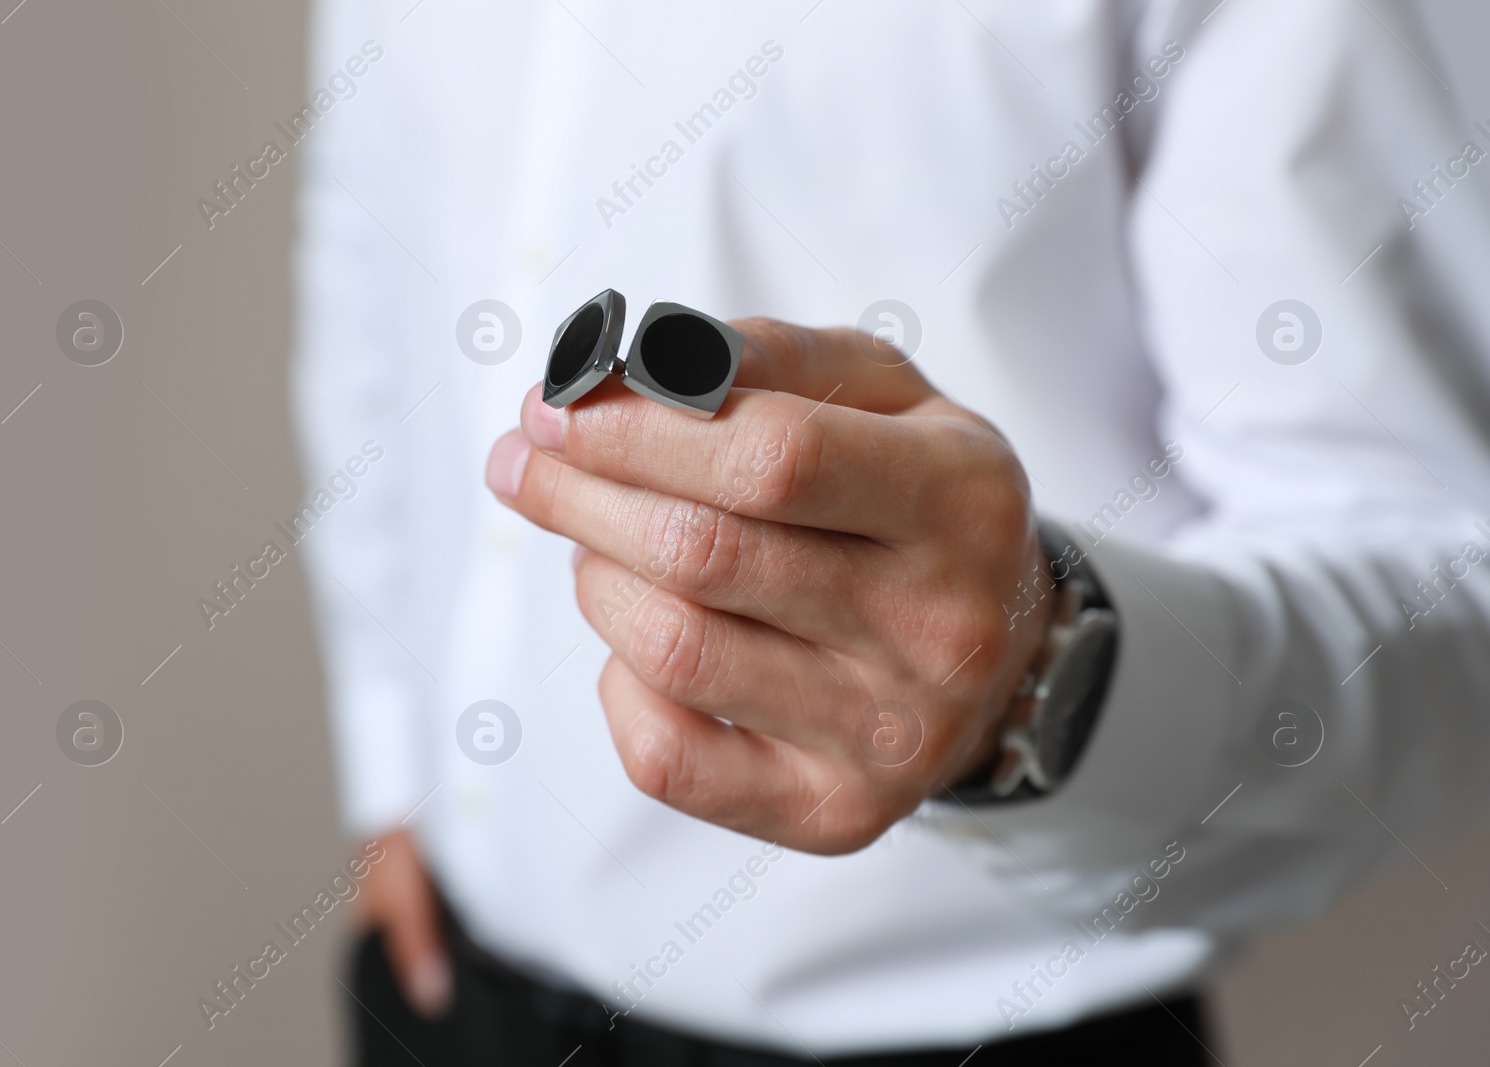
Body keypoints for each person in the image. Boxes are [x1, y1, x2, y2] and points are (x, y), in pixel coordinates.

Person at [291, 0, 1490, 1062]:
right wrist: (392, 767)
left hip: (970, 1030)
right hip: (445, 983)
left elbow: (1439, 569)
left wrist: (1036, 680)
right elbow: (369, 251)